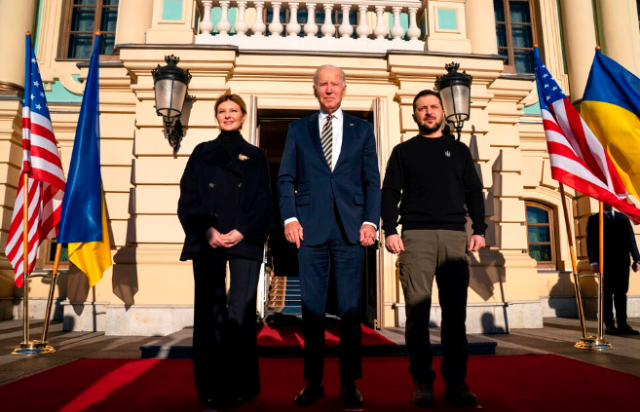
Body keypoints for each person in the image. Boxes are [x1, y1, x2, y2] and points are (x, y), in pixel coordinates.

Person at [277, 65, 381, 407]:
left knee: (351, 311)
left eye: (334, 83)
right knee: (312, 310)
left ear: (344, 89)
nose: (329, 89)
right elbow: (286, 179)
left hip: (351, 230)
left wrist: (371, 222)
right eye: (322, 84)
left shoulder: (362, 129)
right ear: (315, 89)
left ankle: (349, 383)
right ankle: (314, 382)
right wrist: (290, 217)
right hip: (310, 230)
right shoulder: (298, 129)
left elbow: (371, 182)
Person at [381, 90, 486, 408]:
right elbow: (389, 192)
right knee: (417, 314)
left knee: (455, 316)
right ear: (414, 116)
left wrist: (479, 230)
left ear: (442, 111)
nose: (428, 112)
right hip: (416, 238)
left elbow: (473, 191)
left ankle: (456, 381)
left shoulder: (459, 150)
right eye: (421, 108)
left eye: (433, 107)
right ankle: (422, 382)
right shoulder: (403, 151)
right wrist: (389, 229)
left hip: (456, 237)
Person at [178, 94, 273, 408]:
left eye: (233, 110)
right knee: (209, 315)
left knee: (240, 316)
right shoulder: (202, 153)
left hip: (244, 240)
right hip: (208, 240)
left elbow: (263, 201)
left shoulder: (256, 156)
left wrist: (242, 231)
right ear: (216, 117)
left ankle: (239, 386)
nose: (228, 115)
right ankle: (209, 388)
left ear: (244, 116)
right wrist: (207, 230)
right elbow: (188, 199)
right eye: (222, 111)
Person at [587, 204, 640, 335]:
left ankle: (623, 324)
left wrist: (637, 259)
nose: (607, 203)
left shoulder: (623, 218)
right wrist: (593, 261)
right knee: (607, 294)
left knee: (621, 294)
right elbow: (591, 242)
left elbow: (631, 240)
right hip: (605, 263)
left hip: (622, 262)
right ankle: (610, 324)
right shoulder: (594, 219)